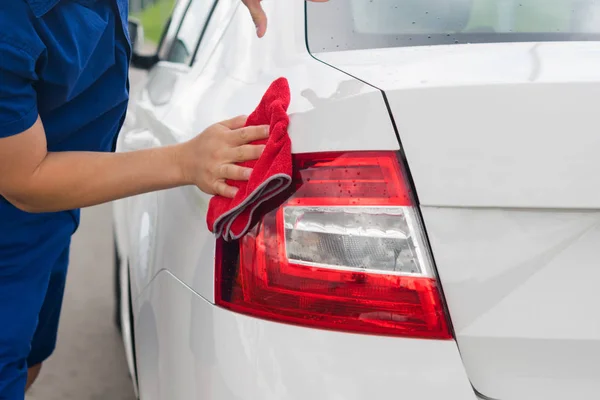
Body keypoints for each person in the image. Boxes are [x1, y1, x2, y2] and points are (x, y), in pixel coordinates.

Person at [0, 0, 327, 398]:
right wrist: (184, 161)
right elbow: (25, 179)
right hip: (15, 218)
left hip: (47, 218)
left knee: (26, 361)